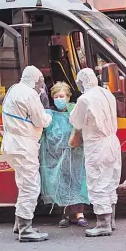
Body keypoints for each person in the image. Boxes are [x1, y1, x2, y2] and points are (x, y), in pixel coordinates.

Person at [2, 65, 52, 242]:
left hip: (11, 144)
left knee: (23, 184)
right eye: (40, 81)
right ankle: (26, 230)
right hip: (24, 145)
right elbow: (40, 120)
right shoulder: (30, 94)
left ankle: (19, 224)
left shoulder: (14, 89)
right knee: (31, 186)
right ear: (34, 79)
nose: (41, 85)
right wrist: (49, 116)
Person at [69, 68, 121, 237]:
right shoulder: (107, 94)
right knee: (110, 181)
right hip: (113, 141)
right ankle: (111, 220)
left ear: (82, 82)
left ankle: (103, 224)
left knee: (97, 182)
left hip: (97, 145)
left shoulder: (85, 99)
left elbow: (75, 120)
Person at [39, 82, 89, 228]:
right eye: (56, 96)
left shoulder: (75, 111)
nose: (58, 99)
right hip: (56, 156)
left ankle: (79, 214)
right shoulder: (49, 115)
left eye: (61, 96)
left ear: (68, 97)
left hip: (76, 153)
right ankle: (66, 215)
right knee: (61, 183)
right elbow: (45, 134)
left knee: (78, 181)